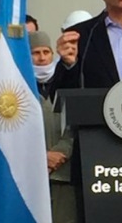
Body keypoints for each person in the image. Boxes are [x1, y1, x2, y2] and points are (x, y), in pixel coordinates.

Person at [31, 31, 76, 223]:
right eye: (35, 53)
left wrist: (61, 152)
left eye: (46, 52)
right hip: (31, 174)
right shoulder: (18, 87)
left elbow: (76, 120)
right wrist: (39, 156)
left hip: (63, 173)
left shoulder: (67, 80)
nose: (42, 58)